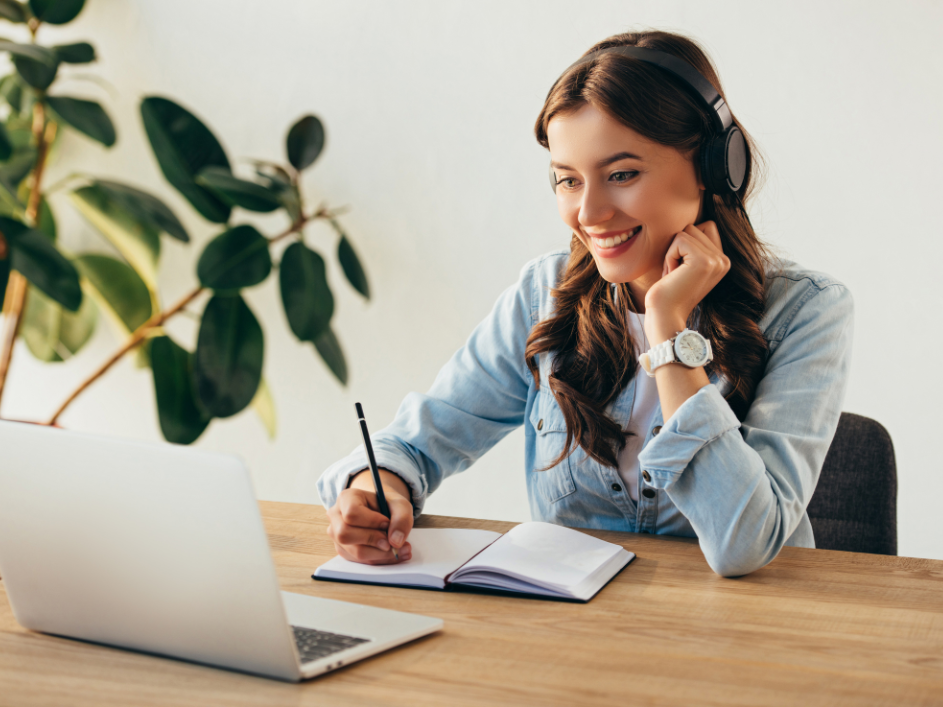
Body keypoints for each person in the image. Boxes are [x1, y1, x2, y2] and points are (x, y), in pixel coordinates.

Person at [317, 30, 853, 577]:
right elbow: (419, 441)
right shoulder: (542, 295)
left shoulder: (807, 312)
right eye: (568, 181)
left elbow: (744, 543)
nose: (590, 213)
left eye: (621, 175)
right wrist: (375, 486)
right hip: (575, 637)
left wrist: (668, 330)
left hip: (751, 638)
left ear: (715, 168)